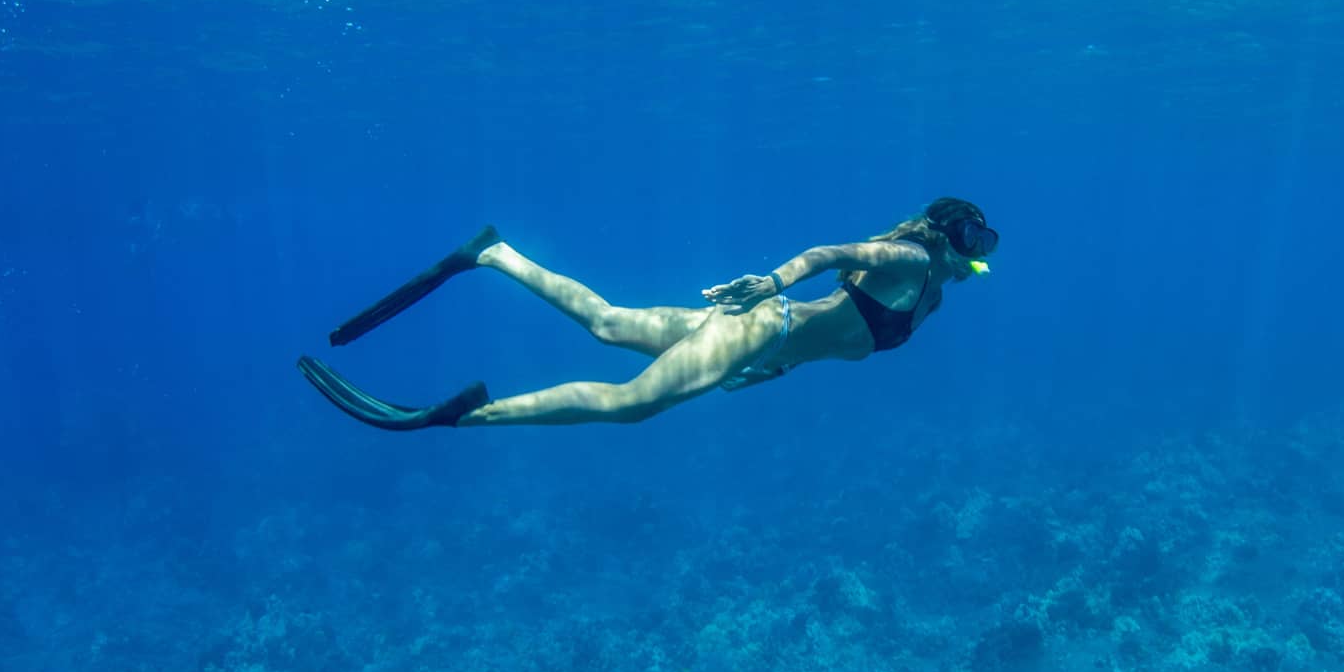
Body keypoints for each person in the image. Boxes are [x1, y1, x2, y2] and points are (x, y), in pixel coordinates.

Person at [297, 197, 997, 430]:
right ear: (948, 236)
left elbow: (835, 329)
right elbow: (823, 254)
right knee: (631, 405)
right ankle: (467, 417)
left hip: (766, 340)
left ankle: (494, 255)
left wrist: (775, 365)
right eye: (975, 241)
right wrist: (769, 282)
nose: (979, 257)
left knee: (606, 323)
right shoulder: (909, 262)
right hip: (760, 323)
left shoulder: (930, 294)